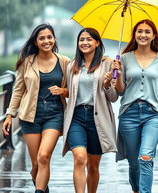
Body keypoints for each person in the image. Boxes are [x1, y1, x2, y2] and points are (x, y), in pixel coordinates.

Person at [2, 23, 70, 193]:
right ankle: (43, 189)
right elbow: (18, 90)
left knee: (44, 157)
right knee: (35, 165)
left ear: (54, 39)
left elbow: (74, 90)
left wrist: (63, 90)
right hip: (30, 116)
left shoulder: (65, 62)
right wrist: (10, 115)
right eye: (42, 38)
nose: (46, 41)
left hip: (54, 115)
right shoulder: (27, 62)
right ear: (36, 42)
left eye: (49, 37)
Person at [113, 19, 158, 193]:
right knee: (134, 163)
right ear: (134, 34)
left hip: (153, 114)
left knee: (145, 157)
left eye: (147, 32)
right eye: (139, 31)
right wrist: (117, 76)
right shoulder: (124, 58)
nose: (143, 35)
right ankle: (136, 190)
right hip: (129, 114)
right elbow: (120, 91)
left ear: (154, 36)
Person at [62, 28, 118, 193]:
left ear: (97, 42)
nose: (84, 43)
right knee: (80, 158)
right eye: (81, 40)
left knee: (93, 166)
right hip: (76, 117)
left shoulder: (108, 64)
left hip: (98, 118)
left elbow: (114, 97)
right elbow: (69, 93)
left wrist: (108, 83)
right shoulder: (73, 66)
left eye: (89, 39)